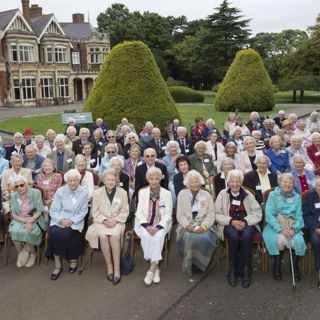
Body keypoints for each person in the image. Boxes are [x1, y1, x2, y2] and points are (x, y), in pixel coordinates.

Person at [215, 169, 262, 288]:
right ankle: (232, 269)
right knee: (234, 236)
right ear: (228, 182)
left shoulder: (248, 194)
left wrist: (246, 221)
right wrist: (231, 221)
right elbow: (216, 214)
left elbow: (257, 213)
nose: (235, 184)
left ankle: (246, 270)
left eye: (237, 181)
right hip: (229, 223)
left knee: (246, 236)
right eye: (232, 182)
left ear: (241, 182)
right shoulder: (222, 194)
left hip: (246, 223)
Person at [86, 169, 129, 285]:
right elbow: (95, 211)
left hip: (117, 222)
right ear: (104, 181)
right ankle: (109, 267)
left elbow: (125, 211)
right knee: (103, 236)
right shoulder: (97, 193)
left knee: (114, 237)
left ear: (116, 181)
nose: (110, 182)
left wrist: (115, 220)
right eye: (108, 179)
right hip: (101, 222)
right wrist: (104, 220)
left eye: (113, 180)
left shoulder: (122, 193)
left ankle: (117, 270)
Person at [263, 173, 307, 282]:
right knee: (279, 240)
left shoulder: (297, 197)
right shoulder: (273, 195)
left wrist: (294, 229)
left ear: (293, 184)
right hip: (275, 226)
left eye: (290, 182)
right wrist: (280, 230)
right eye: (285, 181)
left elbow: (299, 216)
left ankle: (294, 268)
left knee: (298, 241)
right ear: (280, 183)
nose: (287, 184)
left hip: (291, 226)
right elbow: (269, 215)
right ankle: (277, 267)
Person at [46, 169, 89, 280]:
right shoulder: (60, 191)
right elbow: (54, 210)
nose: (73, 183)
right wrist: (61, 220)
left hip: (75, 222)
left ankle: (73, 259)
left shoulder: (84, 193)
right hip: (59, 220)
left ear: (79, 180)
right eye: (70, 181)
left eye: (75, 180)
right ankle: (57, 264)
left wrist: (71, 221)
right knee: (55, 233)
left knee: (67, 234)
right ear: (66, 181)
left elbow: (83, 211)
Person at [134, 167, 172, 285]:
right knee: (147, 237)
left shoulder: (167, 193)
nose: (154, 181)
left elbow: (168, 214)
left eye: (156, 179)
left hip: (161, 223)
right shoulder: (142, 192)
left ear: (160, 179)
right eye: (152, 179)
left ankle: (151, 270)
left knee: (158, 237)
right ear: (148, 179)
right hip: (144, 223)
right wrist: (146, 226)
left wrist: (157, 227)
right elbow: (139, 212)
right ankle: (156, 268)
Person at [176, 170, 218, 277]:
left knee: (202, 238)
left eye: (197, 182)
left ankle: (199, 264)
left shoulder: (207, 195)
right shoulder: (182, 194)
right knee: (189, 236)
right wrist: (187, 226)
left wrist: (204, 226)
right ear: (188, 183)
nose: (195, 184)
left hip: (205, 225)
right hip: (187, 225)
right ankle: (190, 264)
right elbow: (180, 214)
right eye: (192, 182)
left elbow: (211, 214)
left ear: (200, 182)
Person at [9, 175, 46, 268]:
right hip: (20, 219)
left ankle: (33, 254)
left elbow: (40, 210)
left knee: (28, 231)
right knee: (14, 231)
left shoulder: (35, 193)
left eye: (21, 185)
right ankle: (21, 254)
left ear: (26, 185)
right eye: (16, 186)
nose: (19, 188)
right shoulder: (14, 196)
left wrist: (30, 221)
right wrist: (24, 220)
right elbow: (14, 214)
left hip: (34, 218)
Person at [302, 176, 320, 288]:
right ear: (315, 186)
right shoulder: (309, 195)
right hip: (315, 226)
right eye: (318, 185)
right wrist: (316, 228)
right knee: (316, 240)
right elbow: (306, 214)